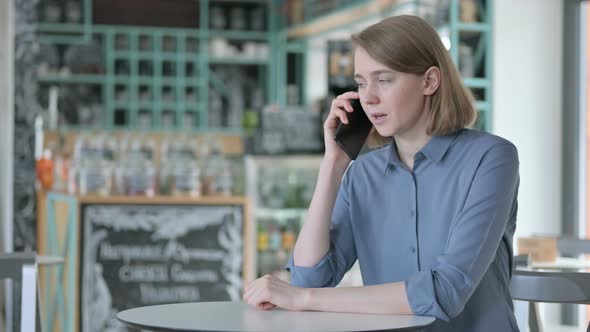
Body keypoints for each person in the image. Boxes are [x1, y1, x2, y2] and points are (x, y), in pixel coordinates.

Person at [243, 14, 519, 331]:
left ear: (429, 81)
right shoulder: (363, 173)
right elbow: (311, 278)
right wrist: (332, 164)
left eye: (384, 80)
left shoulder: (491, 158)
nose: (368, 97)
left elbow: (446, 292)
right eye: (361, 83)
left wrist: (302, 299)